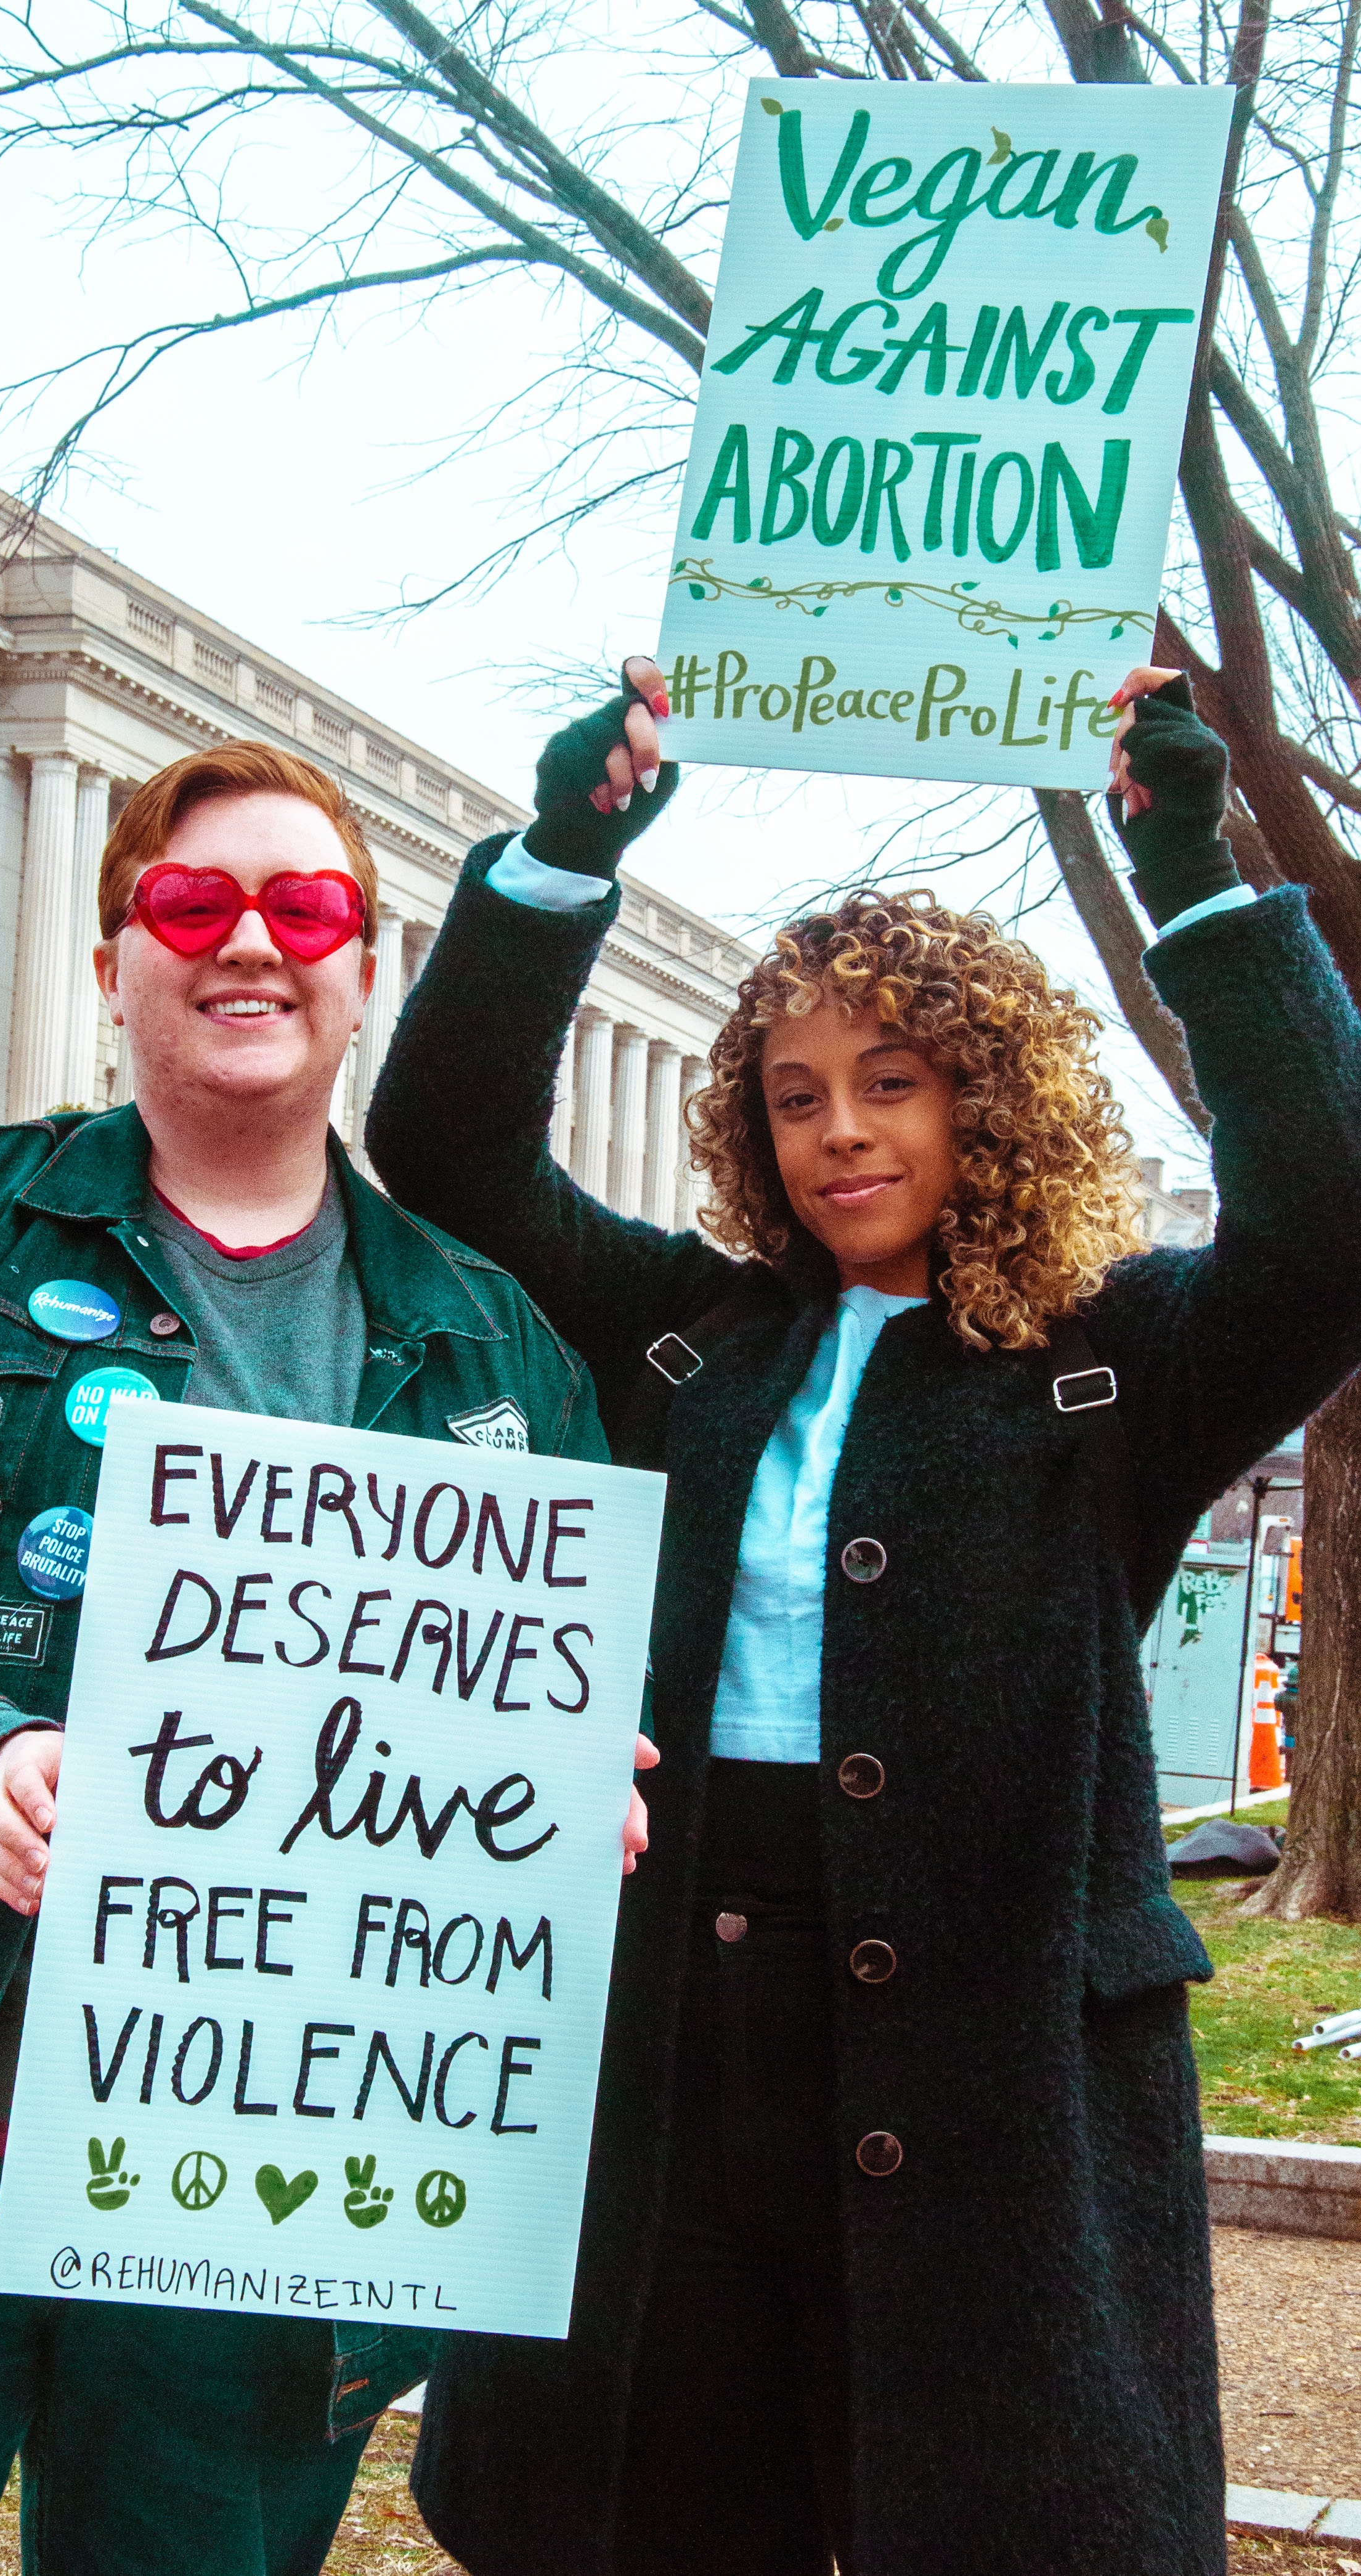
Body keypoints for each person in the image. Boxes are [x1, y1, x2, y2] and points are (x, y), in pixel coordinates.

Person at [365, 659, 1361, 2576]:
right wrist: (563, 864)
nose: (840, 1133)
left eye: (891, 1083)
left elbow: (1324, 1214)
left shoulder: (1106, 1364)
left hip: (995, 2056)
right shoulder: (687, 1331)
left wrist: (1202, 886)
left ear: (979, 1097)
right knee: (661, 2512)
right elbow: (458, 1155)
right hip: (680, 2013)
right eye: (799, 1092)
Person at [0, 738, 627, 2576]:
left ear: (360, 973)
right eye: (192, 902)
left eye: (305, 906)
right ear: (114, 963)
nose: (249, 940)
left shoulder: (490, 1339)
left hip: (256, 2223)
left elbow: (568, 1690)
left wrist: (578, 1789)